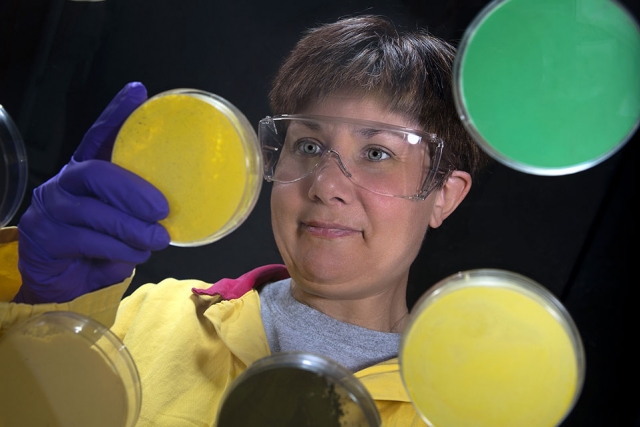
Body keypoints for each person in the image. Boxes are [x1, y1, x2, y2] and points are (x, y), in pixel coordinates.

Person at [0, 14, 488, 426]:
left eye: (377, 152)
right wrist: (40, 308)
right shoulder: (148, 317)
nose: (325, 185)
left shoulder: (470, 411)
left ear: (444, 195)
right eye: (310, 146)